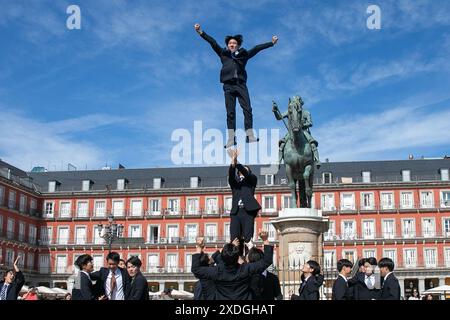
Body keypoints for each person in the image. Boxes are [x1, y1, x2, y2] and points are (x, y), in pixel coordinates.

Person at [194, 23, 278, 148]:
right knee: (230, 113)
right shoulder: (223, 54)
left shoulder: (244, 55)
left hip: (241, 85)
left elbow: (256, 48)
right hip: (228, 86)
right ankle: (231, 139)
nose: (231, 44)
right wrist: (200, 31)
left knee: (247, 109)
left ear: (238, 45)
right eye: (229, 43)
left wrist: (271, 43)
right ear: (227, 45)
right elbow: (212, 42)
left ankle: (249, 136)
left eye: (234, 43)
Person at [191, 231, 273, 300]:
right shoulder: (245, 269)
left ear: (222, 257)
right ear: (237, 257)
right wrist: (265, 239)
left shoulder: (216, 271)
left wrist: (199, 247)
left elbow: (196, 269)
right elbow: (267, 261)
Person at [228, 148, 261, 255]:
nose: (241, 172)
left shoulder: (252, 180)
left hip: (248, 211)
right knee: (234, 238)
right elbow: (231, 176)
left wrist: (237, 163)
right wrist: (233, 164)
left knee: (247, 237)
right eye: (239, 172)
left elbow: (246, 173)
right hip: (236, 212)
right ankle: (235, 259)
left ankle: (250, 258)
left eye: (244, 170)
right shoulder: (235, 184)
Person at [273, 96, 321, 169]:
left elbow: (310, 123)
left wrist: (302, 125)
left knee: (313, 144)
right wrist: (275, 111)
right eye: (294, 101)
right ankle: (278, 161)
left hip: (303, 131)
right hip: (292, 132)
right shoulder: (290, 112)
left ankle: (317, 160)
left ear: (300, 103)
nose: (295, 103)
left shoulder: (306, 112)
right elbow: (279, 117)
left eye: (297, 101)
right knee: (282, 144)